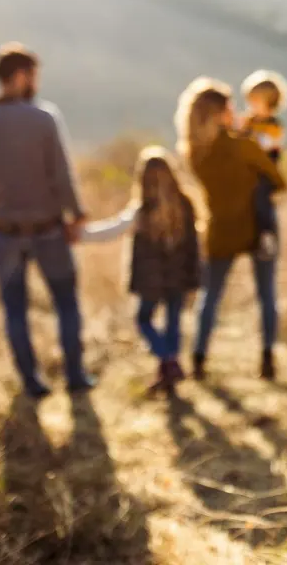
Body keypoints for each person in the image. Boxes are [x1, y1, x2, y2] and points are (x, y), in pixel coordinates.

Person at [0, 42, 94, 398]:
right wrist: (76, 214)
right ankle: (75, 375)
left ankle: (32, 382)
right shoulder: (43, 118)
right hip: (48, 229)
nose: (37, 84)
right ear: (20, 76)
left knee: (14, 309)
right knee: (66, 303)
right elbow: (61, 175)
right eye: (34, 76)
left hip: (3, 233)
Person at [175, 77, 287, 381]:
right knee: (266, 294)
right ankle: (267, 358)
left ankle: (198, 359)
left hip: (220, 228)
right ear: (220, 112)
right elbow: (278, 179)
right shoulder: (243, 146)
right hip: (258, 225)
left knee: (209, 296)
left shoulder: (194, 153)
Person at [82, 147, 201, 394]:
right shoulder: (185, 205)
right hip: (178, 277)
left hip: (151, 281)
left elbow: (112, 230)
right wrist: (194, 276)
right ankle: (169, 365)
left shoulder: (142, 210)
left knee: (143, 319)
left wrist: (81, 234)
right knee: (173, 323)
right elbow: (194, 246)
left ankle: (167, 362)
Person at [237, 69, 287, 261]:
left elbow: (267, 145)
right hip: (248, 174)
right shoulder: (248, 122)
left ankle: (266, 234)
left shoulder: (274, 125)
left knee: (261, 198)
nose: (251, 106)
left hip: (265, 174)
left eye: (255, 101)